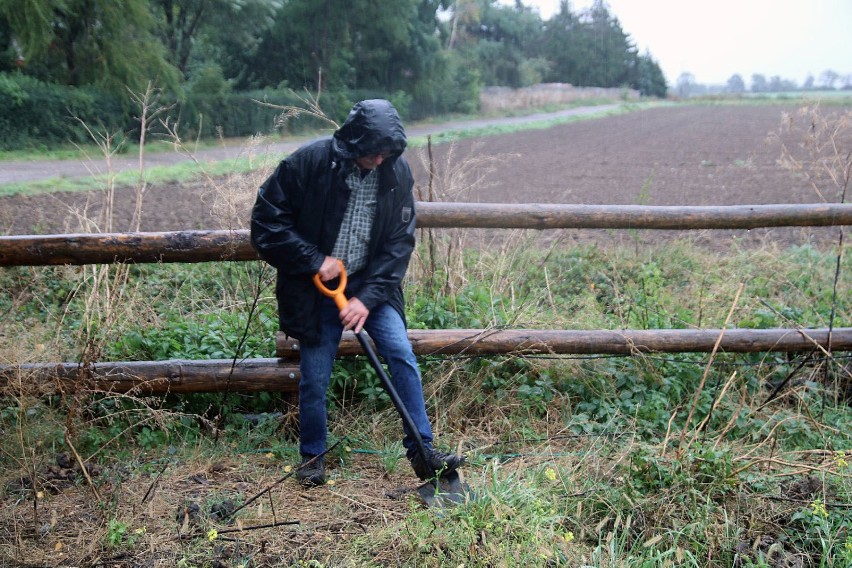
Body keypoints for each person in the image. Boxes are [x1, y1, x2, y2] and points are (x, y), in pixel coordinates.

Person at [250, 99, 465, 486]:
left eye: (386, 153)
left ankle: (423, 451)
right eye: (373, 152)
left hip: (372, 287)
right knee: (315, 377)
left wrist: (366, 300)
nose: (379, 160)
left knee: (400, 353)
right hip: (317, 292)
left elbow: (399, 244)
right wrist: (314, 259)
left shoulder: (396, 172)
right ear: (353, 142)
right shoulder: (309, 164)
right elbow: (266, 221)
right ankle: (312, 457)